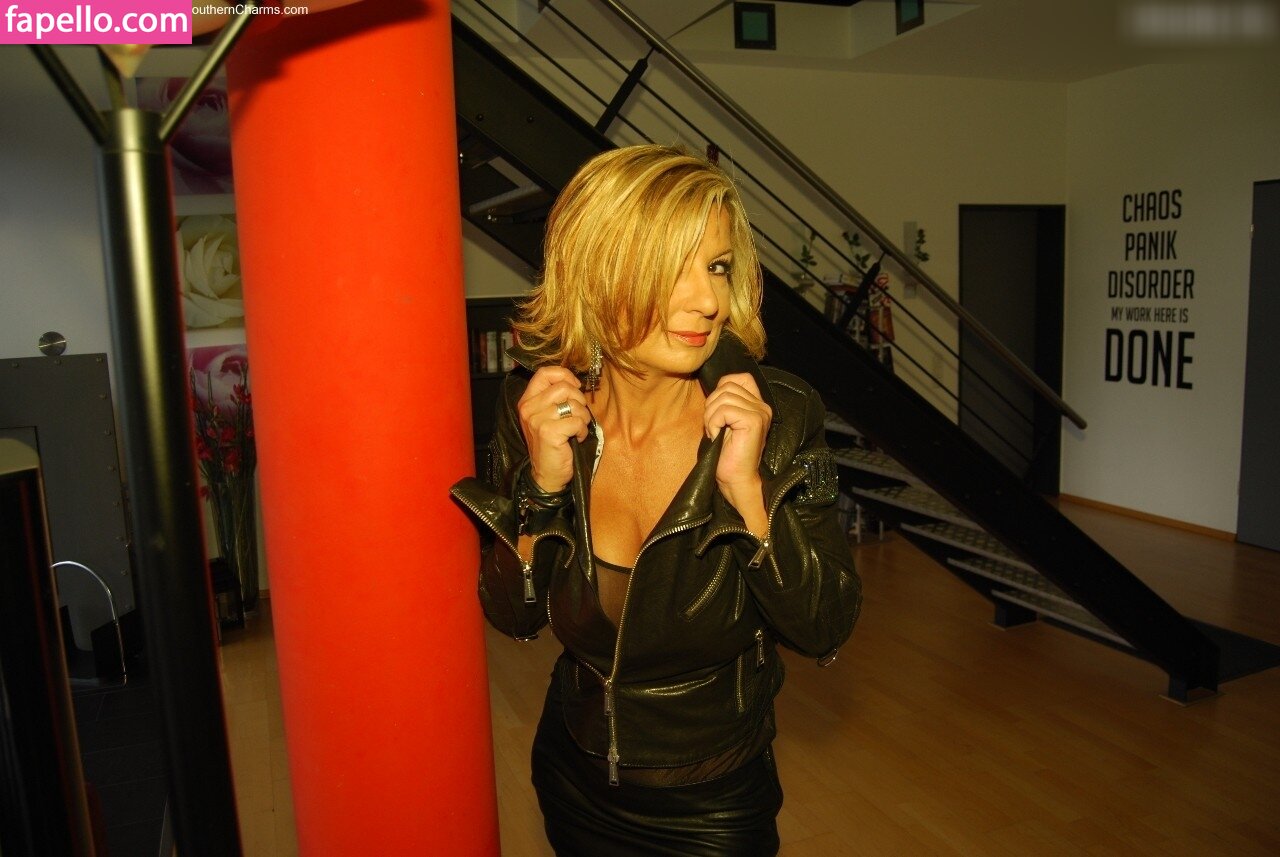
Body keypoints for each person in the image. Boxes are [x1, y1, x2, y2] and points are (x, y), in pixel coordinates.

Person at [451, 144, 860, 856]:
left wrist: (747, 493)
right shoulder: (538, 408)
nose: (708, 300)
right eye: (673, 269)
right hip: (573, 774)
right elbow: (514, 614)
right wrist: (542, 488)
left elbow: (825, 625)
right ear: (596, 273)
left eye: (717, 266)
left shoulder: (781, 415)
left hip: (713, 802)